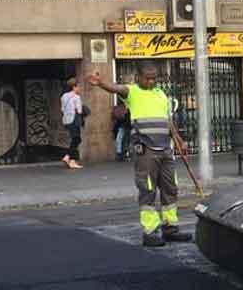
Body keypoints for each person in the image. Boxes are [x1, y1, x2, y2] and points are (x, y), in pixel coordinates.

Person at [88, 63, 192, 248]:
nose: (151, 81)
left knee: (171, 189)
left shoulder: (160, 94)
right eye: (147, 78)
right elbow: (116, 87)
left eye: (154, 78)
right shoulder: (132, 92)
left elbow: (167, 120)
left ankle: (171, 229)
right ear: (139, 77)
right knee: (148, 191)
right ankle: (150, 232)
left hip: (165, 150)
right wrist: (101, 82)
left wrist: (178, 139)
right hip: (145, 151)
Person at [60, 78, 84, 170]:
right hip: (74, 120)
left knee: (75, 139)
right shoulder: (76, 97)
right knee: (76, 139)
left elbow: (62, 109)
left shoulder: (63, 96)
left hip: (66, 120)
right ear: (74, 87)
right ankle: (70, 159)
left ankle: (70, 159)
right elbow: (79, 110)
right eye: (78, 86)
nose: (79, 88)